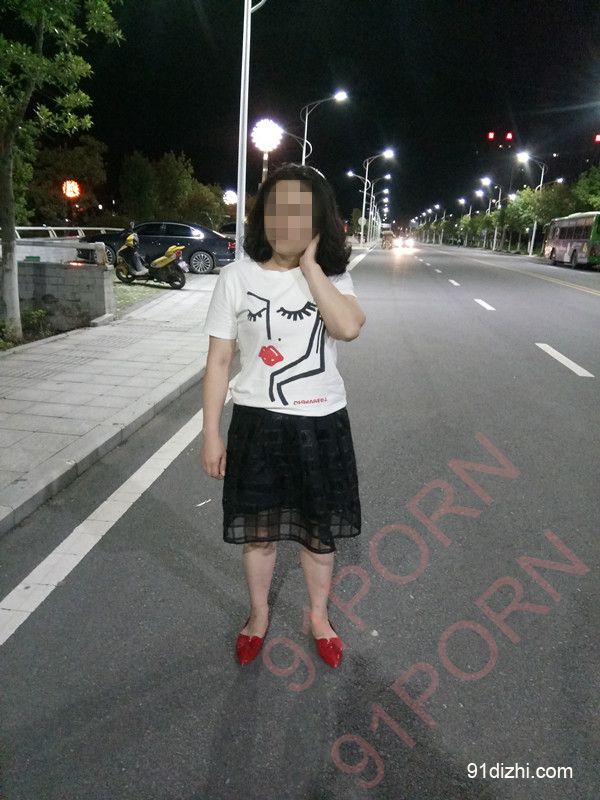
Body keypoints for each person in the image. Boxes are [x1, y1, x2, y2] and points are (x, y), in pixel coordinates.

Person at [200, 163, 366, 668]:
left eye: (299, 211)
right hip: (257, 424)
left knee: (318, 536)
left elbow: (348, 328)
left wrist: (311, 269)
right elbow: (219, 361)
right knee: (259, 534)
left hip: (321, 424)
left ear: (318, 219)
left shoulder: (334, 278)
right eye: (276, 209)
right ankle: (258, 614)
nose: (285, 221)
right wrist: (211, 433)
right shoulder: (235, 277)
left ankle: (318, 617)